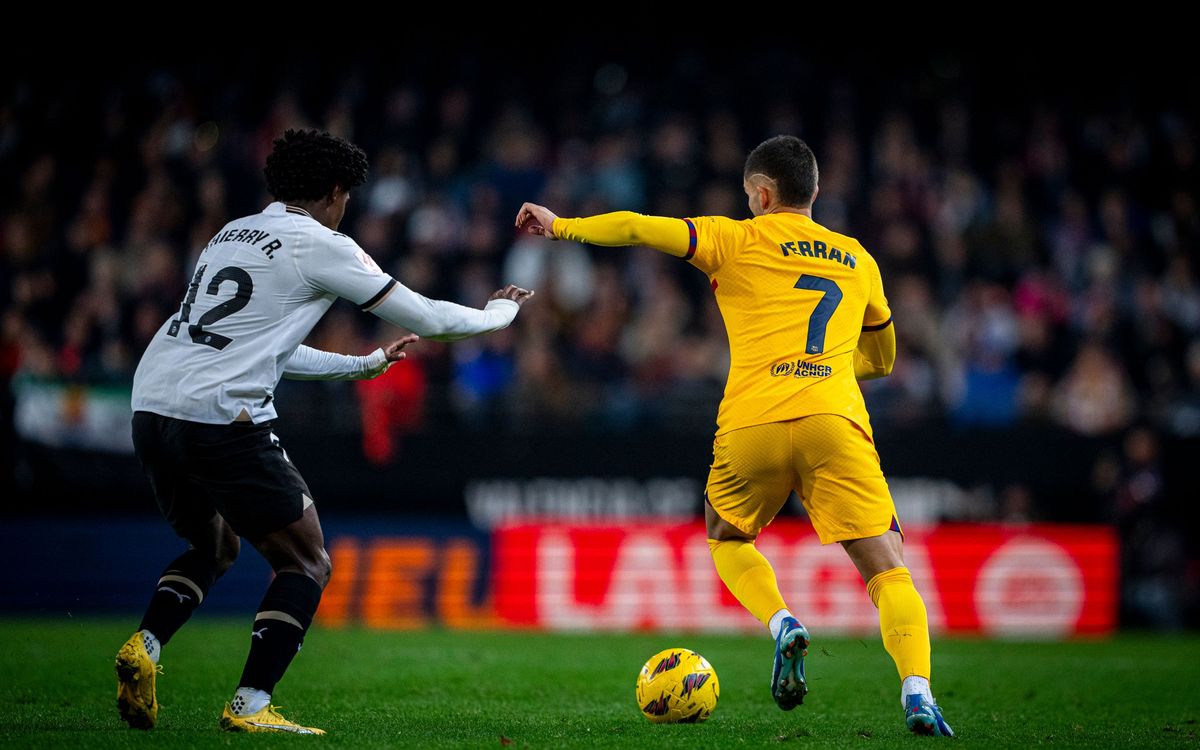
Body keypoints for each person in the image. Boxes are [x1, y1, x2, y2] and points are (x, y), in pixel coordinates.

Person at [515, 135, 952, 737]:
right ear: (816, 193)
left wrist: (562, 225)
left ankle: (780, 623)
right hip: (835, 421)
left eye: (751, 196)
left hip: (752, 424)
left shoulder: (734, 236)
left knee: (726, 537)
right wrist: (821, 368)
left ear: (762, 193)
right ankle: (917, 693)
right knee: (887, 571)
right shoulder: (859, 258)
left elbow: (641, 228)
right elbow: (882, 359)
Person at [117, 129, 533, 735]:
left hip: (151, 405)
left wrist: (361, 366)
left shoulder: (228, 234)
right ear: (336, 192)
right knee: (307, 561)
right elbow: (429, 318)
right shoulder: (322, 244)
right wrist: (502, 313)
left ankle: (146, 646)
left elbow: (261, 349)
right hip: (219, 415)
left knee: (215, 546)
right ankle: (250, 705)